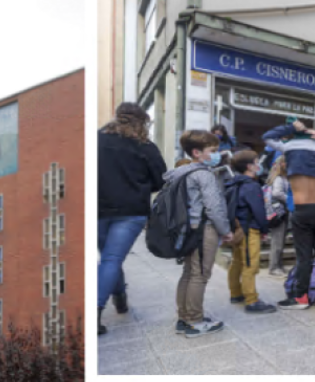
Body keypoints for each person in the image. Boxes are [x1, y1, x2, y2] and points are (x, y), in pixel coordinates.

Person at [98, 103, 168, 335]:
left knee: (109, 258)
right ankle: (97, 310)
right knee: (112, 259)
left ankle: (120, 298)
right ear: (142, 122)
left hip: (98, 210)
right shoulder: (145, 147)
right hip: (131, 211)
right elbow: (161, 180)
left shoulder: (96, 140)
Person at [264, 117, 315, 309]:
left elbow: (268, 137)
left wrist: (289, 127)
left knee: (304, 255)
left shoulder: (289, 147)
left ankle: (301, 297)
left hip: (302, 210)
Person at [164, 129, 234, 337]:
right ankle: (194, 320)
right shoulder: (203, 174)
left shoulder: (179, 172)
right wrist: (226, 231)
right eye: (212, 150)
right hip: (203, 229)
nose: (216, 154)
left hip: (185, 230)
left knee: (188, 273)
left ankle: (184, 317)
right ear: (196, 152)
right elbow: (214, 207)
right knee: (200, 275)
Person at [225, 150, 278, 314]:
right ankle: (252, 300)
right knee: (250, 264)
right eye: (256, 162)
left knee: (236, 262)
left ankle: (236, 293)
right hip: (250, 229)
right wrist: (264, 228)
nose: (259, 165)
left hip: (237, 229)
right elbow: (258, 210)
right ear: (249, 166)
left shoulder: (232, 183)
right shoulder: (251, 185)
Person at [265, 156, 291, 275]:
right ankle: (274, 267)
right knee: (277, 240)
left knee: (280, 239)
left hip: (282, 212)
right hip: (279, 212)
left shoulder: (282, 177)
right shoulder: (279, 179)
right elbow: (277, 193)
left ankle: (278, 265)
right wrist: (290, 200)